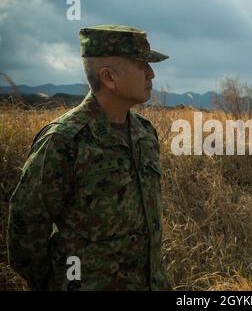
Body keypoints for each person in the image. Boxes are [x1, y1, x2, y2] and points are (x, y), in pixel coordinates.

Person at [7, 25, 170, 291]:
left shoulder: (144, 133)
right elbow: (26, 230)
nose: (151, 73)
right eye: (142, 65)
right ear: (109, 78)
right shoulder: (64, 140)